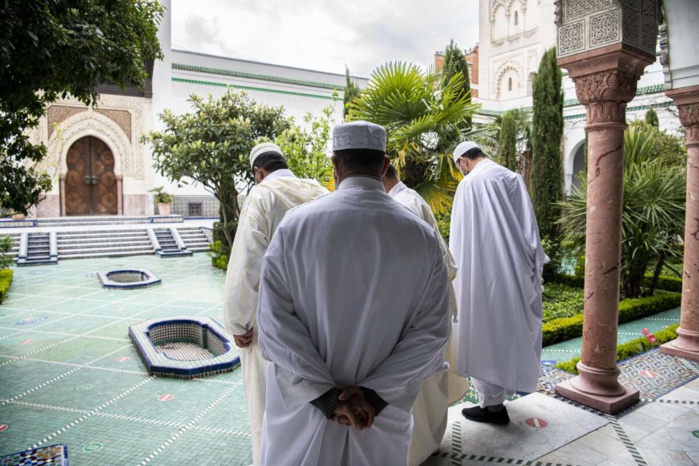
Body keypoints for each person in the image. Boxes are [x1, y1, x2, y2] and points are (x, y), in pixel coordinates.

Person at [256, 121, 451, 466]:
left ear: (335, 164)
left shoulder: (295, 227)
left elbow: (273, 323)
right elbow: (433, 331)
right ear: (385, 164)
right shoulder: (420, 236)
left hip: (306, 414)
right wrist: (372, 398)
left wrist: (330, 398)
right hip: (377, 418)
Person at [223, 142, 329, 465]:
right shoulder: (320, 192)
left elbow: (246, 265)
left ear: (258, 172)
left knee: (268, 415)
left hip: (270, 330)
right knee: (315, 415)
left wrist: (238, 322)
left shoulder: (262, 195)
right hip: (320, 325)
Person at [449, 141, 548, 425]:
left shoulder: (468, 186)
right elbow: (530, 232)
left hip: (481, 273)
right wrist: (531, 267)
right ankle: (497, 400)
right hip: (516, 272)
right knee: (507, 329)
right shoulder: (511, 176)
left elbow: (461, 238)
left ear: (463, 162)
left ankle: (491, 405)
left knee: (482, 332)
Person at [382, 165, 469, 465]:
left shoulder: (402, 205)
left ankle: (417, 452)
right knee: (428, 388)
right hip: (431, 309)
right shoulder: (410, 199)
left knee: (421, 389)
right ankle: (427, 445)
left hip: (422, 312)